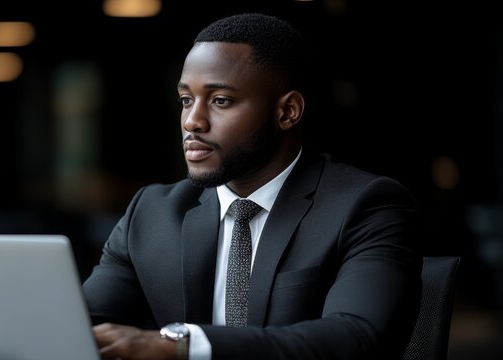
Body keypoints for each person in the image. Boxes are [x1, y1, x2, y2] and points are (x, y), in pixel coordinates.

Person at [83, 12, 422, 360]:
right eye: (187, 99)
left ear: (288, 111)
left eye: (220, 101)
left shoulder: (366, 206)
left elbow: (357, 337)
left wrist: (182, 345)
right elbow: (80, 325)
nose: (192, 121)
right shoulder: (152, 212)